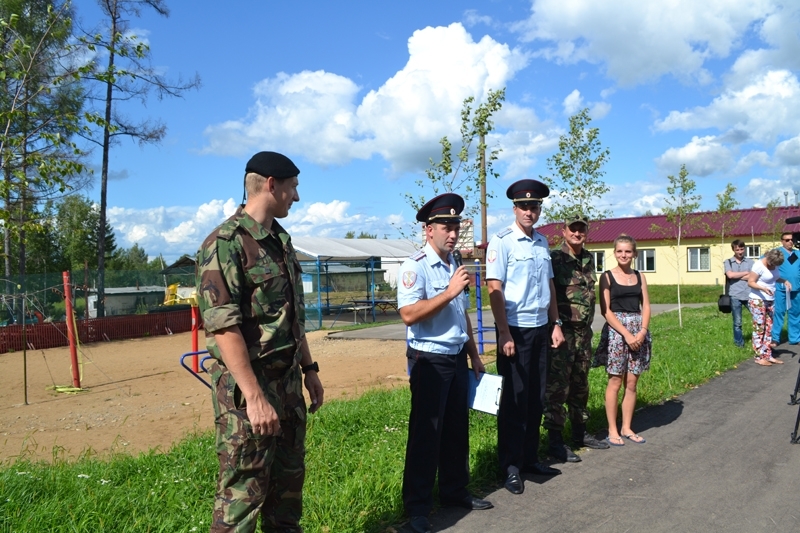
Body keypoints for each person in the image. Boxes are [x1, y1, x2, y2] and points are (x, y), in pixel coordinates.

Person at [196, 151, 324, 533]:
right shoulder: (225, 243)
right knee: (241, 503)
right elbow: (223, 327)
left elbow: (291, 317)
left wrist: (309, 369)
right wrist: (254, 398)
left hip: (288, 387)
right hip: (248, 393)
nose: (296, 196)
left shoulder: (280, 241)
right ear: (271, 184)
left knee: (286, 500)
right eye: (293, 187)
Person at [398, 193, 492, 533]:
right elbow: (409, 314)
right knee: (427, 434)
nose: (452, 234)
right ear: (429, 230)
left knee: (456, 430)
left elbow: (460, 314)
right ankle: (418, 508)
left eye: (455, 227)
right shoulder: (415, 266)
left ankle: (454, 492)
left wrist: (474, 354)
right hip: (429, 360)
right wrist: (449, 292)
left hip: (455, 357)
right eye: (445, 228)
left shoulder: (454, 264)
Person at [486, 179, 565, 496]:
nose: (529, 211)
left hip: (540, 328)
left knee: (536, 398)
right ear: (514, 209)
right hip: (514, 331)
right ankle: (511, 467)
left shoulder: (542, 242)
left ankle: (530, 459)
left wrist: (555, 323)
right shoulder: (502, 242)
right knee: (514, 401)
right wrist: (504, 331)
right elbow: (494, 288)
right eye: (523, 206)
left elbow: (550, 286)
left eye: (534, 206)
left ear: (539, 209)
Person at [544, 215, 609, 464]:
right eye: (573, 229)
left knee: (580, 384)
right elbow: (548, 293)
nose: (577, 233)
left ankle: (580, 433)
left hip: (583, 334)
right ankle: (555, 442)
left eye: (581, 230)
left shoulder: (588, 258)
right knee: (557, 388)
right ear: (564, 231)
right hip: (563, 333)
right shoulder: (554, 259)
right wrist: (555, 325)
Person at [596, 234, 651, 447]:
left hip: (638, 331)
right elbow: (606, 311)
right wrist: (626, 334)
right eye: (620, 251)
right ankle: (612, 429)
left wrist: (642, 332)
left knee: (632, 382)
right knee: (616, 381)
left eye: (628, 251)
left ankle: (627, 427)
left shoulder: (640, 276)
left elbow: (646, 306)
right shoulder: (607, 277)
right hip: (617, 332)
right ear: (614, 253)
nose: (624, 255)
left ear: (634, 254)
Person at [748, 248, 789, 366]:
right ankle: (758, 356)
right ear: (769, 259)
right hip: (758, 300)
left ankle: (767, 354)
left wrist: (784, 281)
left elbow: (773, 277)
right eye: (773, 264)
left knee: (769, 328)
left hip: (770, 300)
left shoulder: (774, 264)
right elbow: (750, 282)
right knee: (759, 328)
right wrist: (763, 288)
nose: (774, 266)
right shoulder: (758, 265)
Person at [771, 232, 800, 346]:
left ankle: (795, 338)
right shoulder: (777, 252)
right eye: (787, 240)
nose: (790, 242)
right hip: (781, 289)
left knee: (795, 313)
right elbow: (764, 261)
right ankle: (775, 338)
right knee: (779, 313)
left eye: (792, 240)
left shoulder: (797, 253)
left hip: (796, 288)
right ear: (782, 241)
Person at [724, 240, 755, 348]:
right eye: (737, 250)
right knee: (737, 322)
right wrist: (746, 273)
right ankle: (739, 344)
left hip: (749, 294)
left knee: (757, 319)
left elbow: (753, 276)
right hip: (735, 295)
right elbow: (730, 275)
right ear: (733, 250)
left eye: (742, 249)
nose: (740, 252)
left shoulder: (750, 262)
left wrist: (736, 275)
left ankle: (758, 341)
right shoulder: (728, 262)